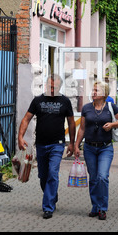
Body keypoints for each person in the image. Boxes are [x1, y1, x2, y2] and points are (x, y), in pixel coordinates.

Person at [18, 74, 76, 219]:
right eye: (49, 86)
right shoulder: (38, 100)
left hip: (57, 144)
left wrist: (72, 143)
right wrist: (20, 137)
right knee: (43, 176)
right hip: (41, 144)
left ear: (59, 87)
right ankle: (52, 195)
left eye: (54, 87)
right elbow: (26, 119)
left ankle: (48, 207)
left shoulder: (65, 101)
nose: (51, 89)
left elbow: (71, 123)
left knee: (52, 173)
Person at [74, 81, 118, 220]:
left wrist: (112, 124)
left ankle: (102, 208)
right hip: (89, 148)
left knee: (102, 177)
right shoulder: (86, 108)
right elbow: (82, 128)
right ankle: (95, 206)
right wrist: (76, 145)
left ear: (104, 94)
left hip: (105, 148)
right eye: (93, 90)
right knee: (93, 178)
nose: (93, 92)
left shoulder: (111, 106)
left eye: (97, 90)